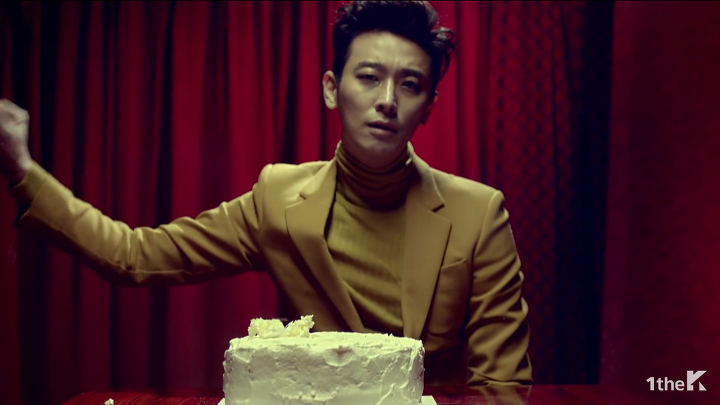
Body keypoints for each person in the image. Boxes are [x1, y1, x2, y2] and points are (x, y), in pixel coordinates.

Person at [0, 1, 532, 387]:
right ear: (332, 89)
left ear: (430, 106)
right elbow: (134, 255)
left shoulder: (479, 213)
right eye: (369, 77)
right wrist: (23, 169)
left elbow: (502, 387)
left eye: (409, 84)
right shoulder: (278, 198)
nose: (387, 100)